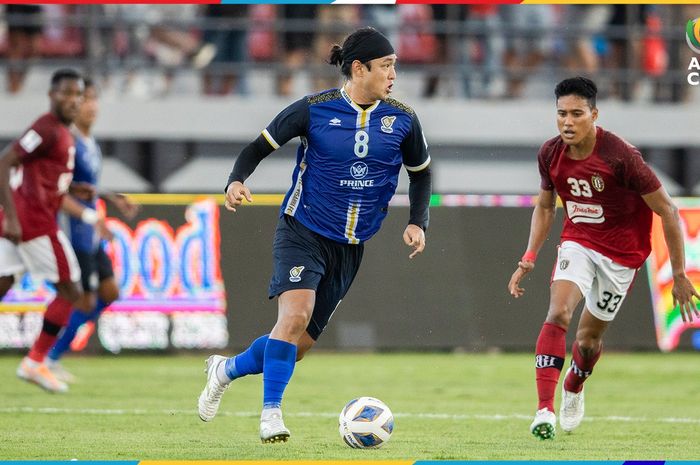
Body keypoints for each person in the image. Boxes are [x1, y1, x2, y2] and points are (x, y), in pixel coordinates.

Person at [198, 27, 432, 443]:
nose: (394, 74)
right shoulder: (313, 109)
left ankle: (226, 369)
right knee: (294, 317)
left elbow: (421, 176)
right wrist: (236, 180)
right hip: (302, 229)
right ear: (359, 69)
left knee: (297, 344)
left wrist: (418, 222)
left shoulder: (403, 119)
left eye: (395, 65)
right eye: (386, 66)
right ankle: (271, 414)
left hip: (351, 246)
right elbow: (258, 147)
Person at [507, 76, 700, 440]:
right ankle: (543, 410)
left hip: (622, 257)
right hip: (578, 242)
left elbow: (669, 211)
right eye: (561, 114)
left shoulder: (621, 156)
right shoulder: (550, 153)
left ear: (593, 115)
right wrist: (529, 255)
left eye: (576, 114)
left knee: (587, 342)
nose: (567, 122)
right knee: (559, 312)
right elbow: (546, 206)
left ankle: (575, 386)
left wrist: (678, 274)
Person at [0, 69, 91, 393]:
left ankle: (36, 361)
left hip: (23, 218)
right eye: (66, 93)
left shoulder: (62, 134)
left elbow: (43, 177)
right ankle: (36, 361)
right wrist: (12, 217)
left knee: (3, 282)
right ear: (52, 95)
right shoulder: (46, 128)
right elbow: (5, 162)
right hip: (33, 222)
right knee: (71, 291)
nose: (73, 100)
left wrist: (77, 189)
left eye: (78, 94)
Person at [45, 78, 139, 383]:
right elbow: (61, 190)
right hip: (72, 231)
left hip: (89, 230)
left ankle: (50, 355)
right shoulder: (67, 142)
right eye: (85, 98)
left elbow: (83, 187)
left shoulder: (89, 142)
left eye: (94, 98)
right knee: (81, 300)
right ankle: (48, 355)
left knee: (109, 292)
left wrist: (110, 198)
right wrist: (91, 217)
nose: (91, 105)